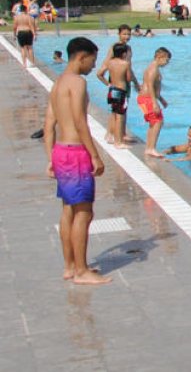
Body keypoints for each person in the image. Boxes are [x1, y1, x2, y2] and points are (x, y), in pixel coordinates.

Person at [43, 37, 110, 285]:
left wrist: (51, 157)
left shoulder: (58, 83)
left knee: (68, 210)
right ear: (81, 57)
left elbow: (49, 124)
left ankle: (70, 266)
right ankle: (82, 271)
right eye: (92, 60)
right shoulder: (77, 83)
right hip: (76, 153)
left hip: (61, 151)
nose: (94, 66)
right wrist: (94, 155)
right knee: (84, 212)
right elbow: (80, 122)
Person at [136, 47, 171, 159]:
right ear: (160, 57)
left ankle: (149, 147)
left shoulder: (154, 68)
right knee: (158, 122)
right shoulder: (153, 69)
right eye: (166, 60)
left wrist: (161, 99)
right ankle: (151, 148)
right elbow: (150, 86)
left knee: (154, 122)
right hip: (147, 99)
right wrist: (155, 103)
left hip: (146, 98)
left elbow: (155, 88)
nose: (167, 63)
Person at [98, 42, 134, 147]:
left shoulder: (110, 62)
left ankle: (112, 136)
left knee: (114, 113)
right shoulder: (125, 64)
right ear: (123, 54)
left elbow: (99, 74)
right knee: (120, 117)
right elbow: (128, 79)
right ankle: (118, 142)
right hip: (121, 91)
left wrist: (107, 83)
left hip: (112, 90)